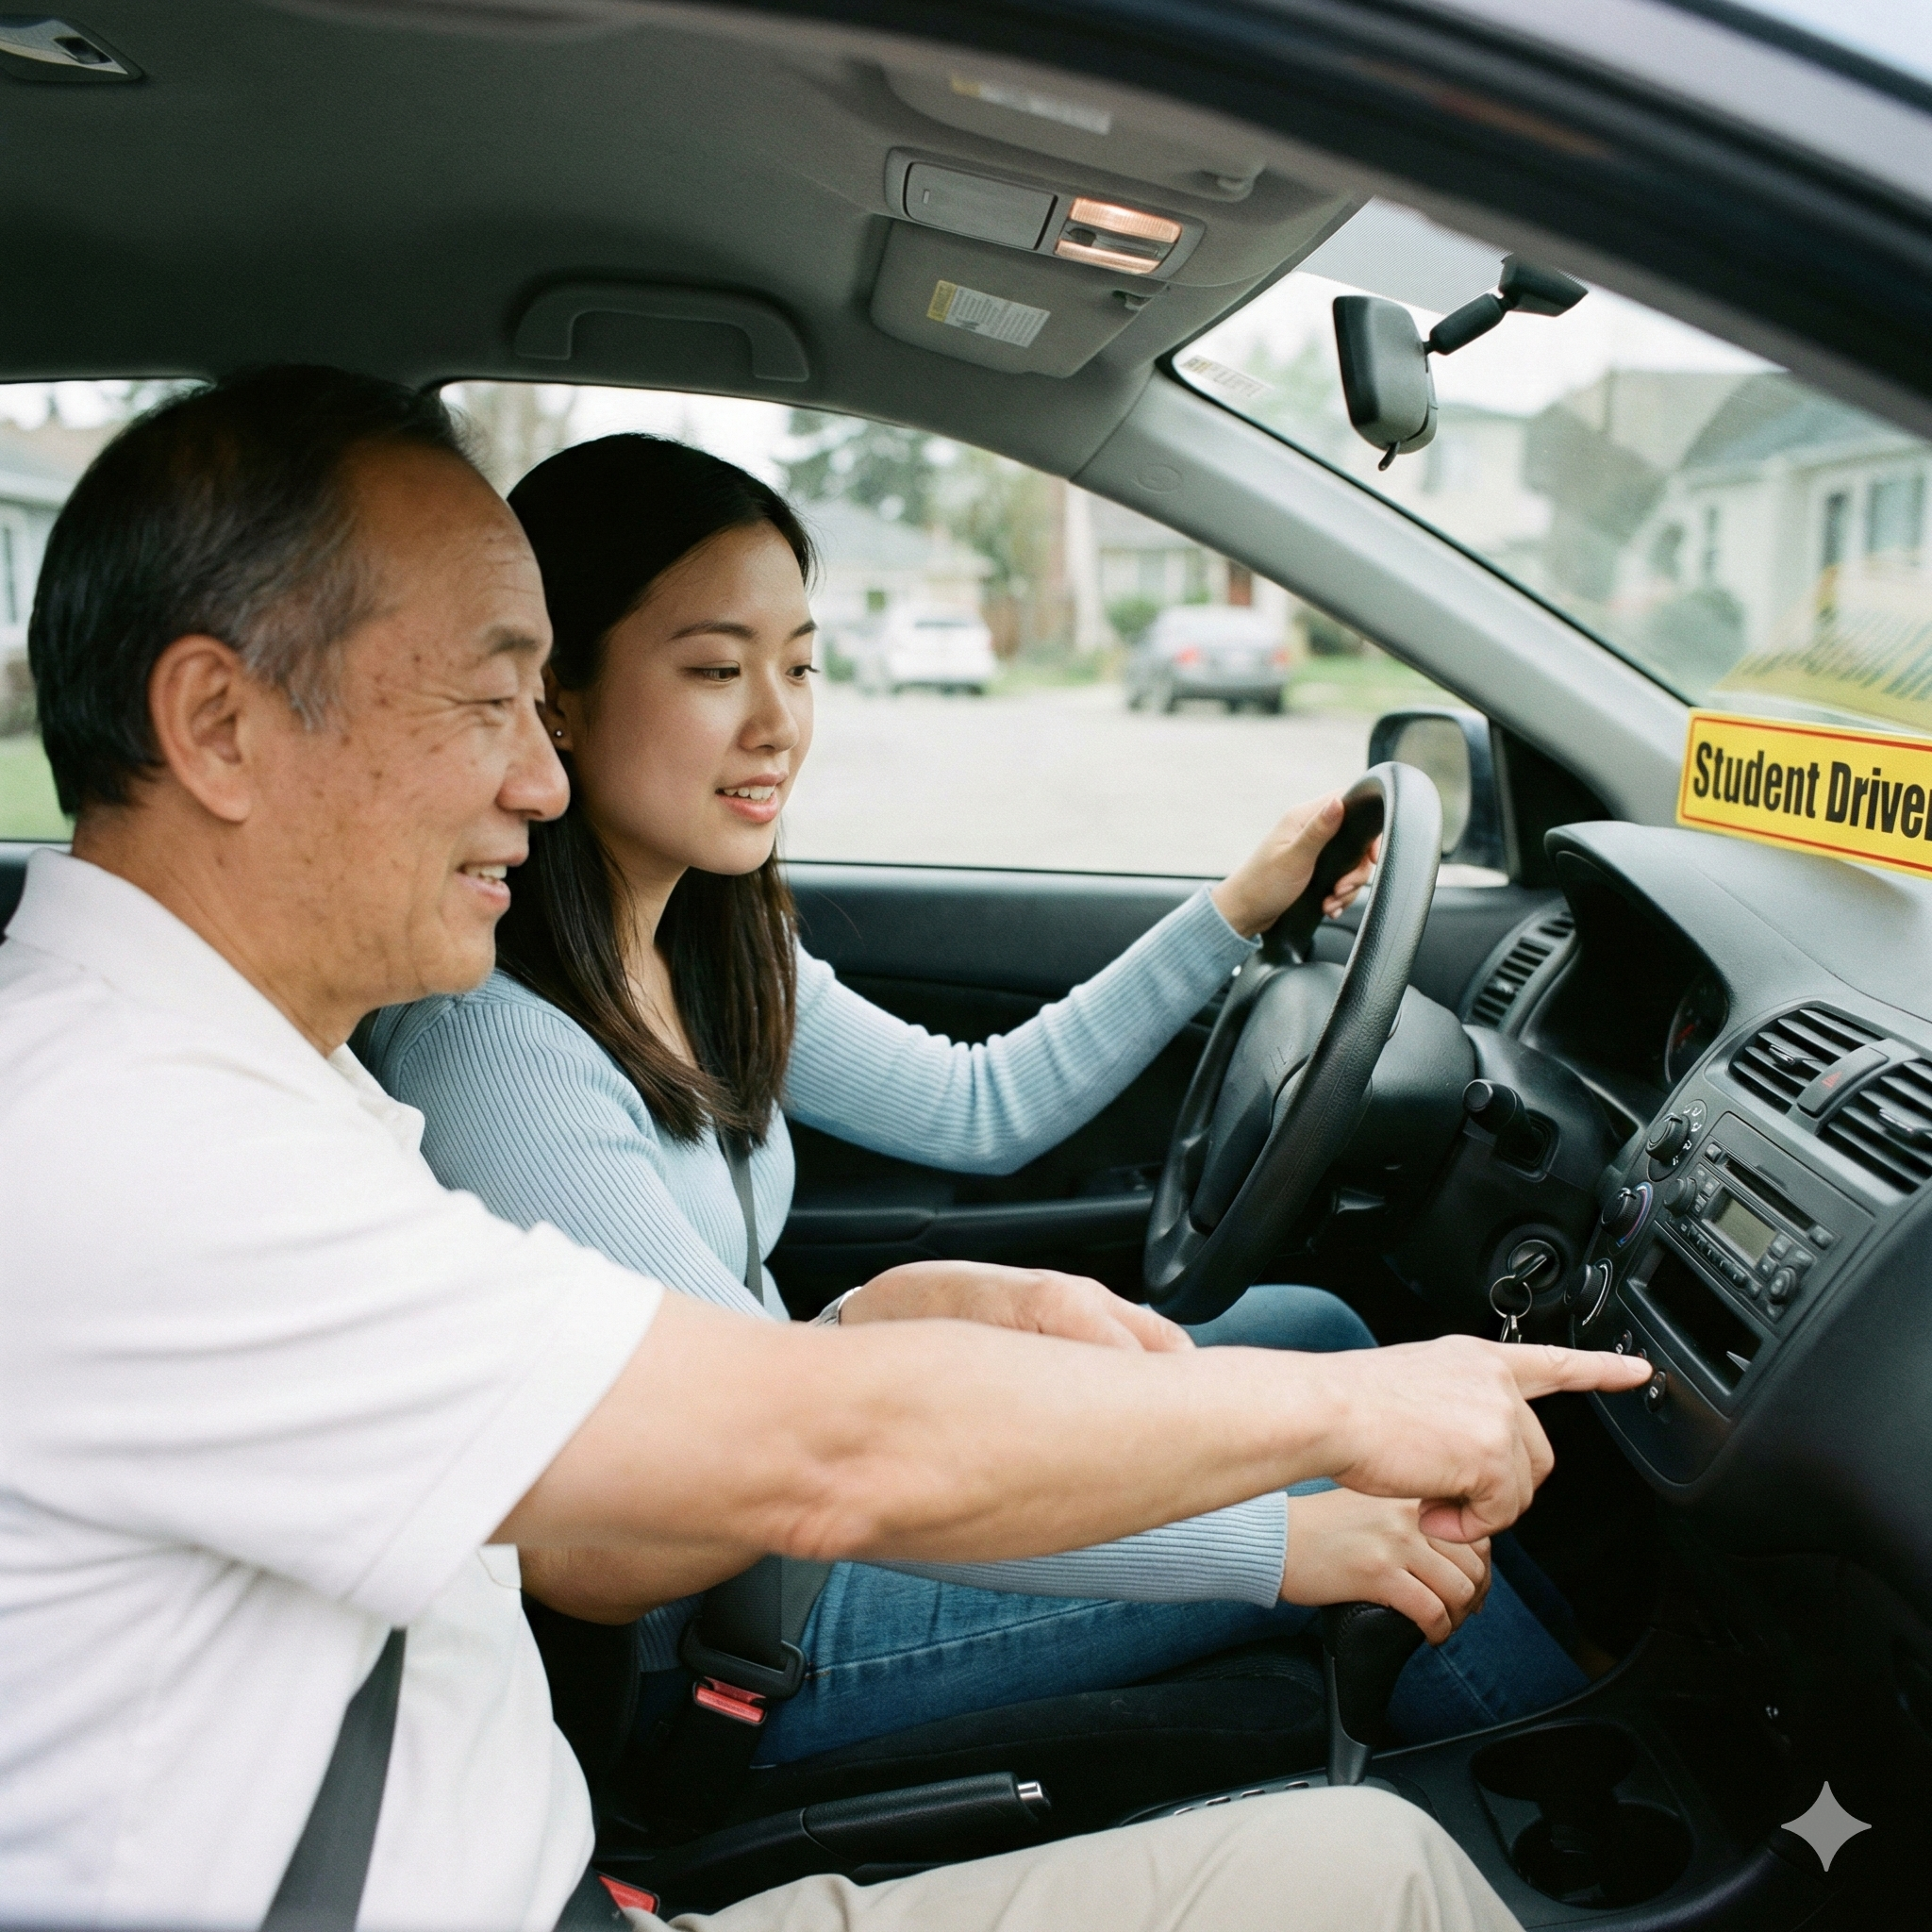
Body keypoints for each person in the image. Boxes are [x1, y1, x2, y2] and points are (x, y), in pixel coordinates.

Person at [0, 364, 1650, 1932]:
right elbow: (776, 1478)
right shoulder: (150, 1150)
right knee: (1383, 1822)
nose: (539, 778)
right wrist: (1321, 1463)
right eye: (490, 702)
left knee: (1360, 1746)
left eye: (799, 665)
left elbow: (679, 1438)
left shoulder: (256, 1088)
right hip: (712, 1668)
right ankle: (1621, 1825)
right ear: (220, 726)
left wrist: (862, 1321)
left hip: (564, 1858)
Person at [358, 433, 1590, 1764]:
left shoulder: (713, 945)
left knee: (1320, 1330)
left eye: (801, 665)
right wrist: (1279, 1544)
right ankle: (1572, 1800)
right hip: (725, 1636)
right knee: (1364, 1512)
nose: (779, 722)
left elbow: (977, 1107)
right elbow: (743, 1471)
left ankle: (1555, 1729)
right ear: (558, 697)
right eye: (716, 670)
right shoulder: (499, 1056)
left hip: (803, 1478)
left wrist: (1238, 909)